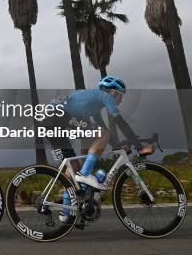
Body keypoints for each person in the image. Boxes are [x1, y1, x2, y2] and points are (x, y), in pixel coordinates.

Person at [44, 76, 150, 222]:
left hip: (48, 122)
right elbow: (119, 122)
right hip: (58, 118)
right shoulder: (104, 96)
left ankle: (65, 212)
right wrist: (139, 146)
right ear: (112, 92)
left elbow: (104, 129)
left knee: (73, 166)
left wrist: (117, 146)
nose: (121, 99)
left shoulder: (94, 105)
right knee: (97, 142)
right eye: (120, 95)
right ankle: (85, 175)